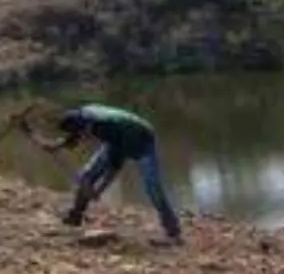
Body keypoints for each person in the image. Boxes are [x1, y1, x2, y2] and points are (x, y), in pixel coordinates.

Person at [29, 104, 182, 245]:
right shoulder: (83, 115)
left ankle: (172, 231)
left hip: (142, 140)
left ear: (88, 126)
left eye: (83, 133)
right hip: (116, 139)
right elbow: (74, 138)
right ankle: (75, 216)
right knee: (87, 176)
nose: (84, 137)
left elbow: (115, 167)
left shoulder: (112, 128)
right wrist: (53, 146)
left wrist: (99, 191)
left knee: (153, 189)